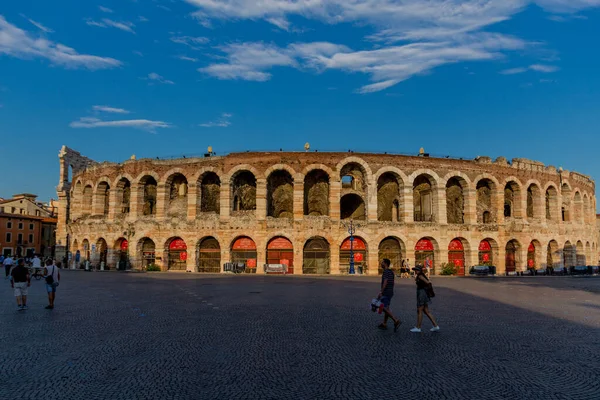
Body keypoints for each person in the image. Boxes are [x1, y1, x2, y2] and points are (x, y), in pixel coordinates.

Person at [410, 265, 439, 333]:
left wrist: (428, 291)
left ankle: (418, 327)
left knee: (419, 310)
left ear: (420, 270)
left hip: (422, 293)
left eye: (417, 270)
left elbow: (428, 282)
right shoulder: (419, 275)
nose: (415, 271)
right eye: (415, 270)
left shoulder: (420, 276)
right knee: (426, 311)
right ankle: (435, 326)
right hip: (423, 293)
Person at [377, 258, 402, 332]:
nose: (381, 264)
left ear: (385, 264)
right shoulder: (391, 272)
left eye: (382, 262)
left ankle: (396, 320)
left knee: (383, 307)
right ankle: (384, 323)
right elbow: (392, 282)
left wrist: (381, 291)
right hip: (390, 291)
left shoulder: (386, 272)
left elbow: (385, 282)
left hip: (386, 292)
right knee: (386, 308)